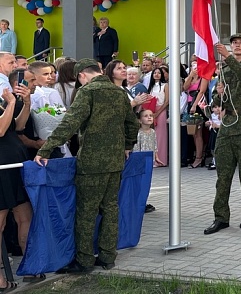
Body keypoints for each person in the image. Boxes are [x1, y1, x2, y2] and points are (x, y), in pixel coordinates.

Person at [35, 58, 139, 274]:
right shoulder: (119, 92)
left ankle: (84, 260)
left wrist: (46, 148)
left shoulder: (88, 92)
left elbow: (70, 122)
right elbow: (132, 123)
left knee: (86, 211)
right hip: (115, 161)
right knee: (110, 208)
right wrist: (128, 144)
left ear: (82, 75)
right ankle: (108, 256)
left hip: (92, 162)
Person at [204, 33, 241, 235]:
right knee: (223, 175)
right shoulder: (225, 69)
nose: (237, 46)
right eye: (234, 43)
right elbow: (215, 100)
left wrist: (228, 57)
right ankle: (221, 217)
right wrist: (217, 95)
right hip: (228, 124)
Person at [0, 82, 33, 288]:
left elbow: (17, 126)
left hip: (15, 167)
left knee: (25, 217)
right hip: (1, 170)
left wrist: (26, 103)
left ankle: (30, 265)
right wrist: (11, 102)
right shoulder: (7, 103)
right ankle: (1, 279)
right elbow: (1, 130)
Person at [146, 66, 170, 167]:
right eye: (155, 73)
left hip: (161, 110)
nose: (157, 74)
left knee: (160, 135)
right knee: (152, 135)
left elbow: (167, 101)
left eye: (159, 73)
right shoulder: (150, 87)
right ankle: (153, 158)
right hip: (151, 110)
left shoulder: (165, 85)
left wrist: (158, 112)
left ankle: (161, 159)